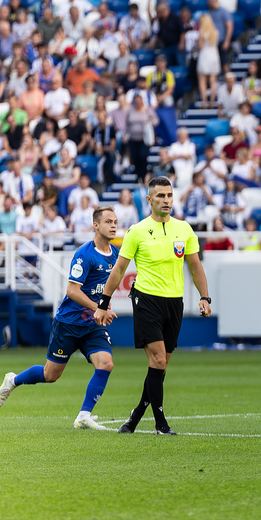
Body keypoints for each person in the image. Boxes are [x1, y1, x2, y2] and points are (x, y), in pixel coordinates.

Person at [95, 176, 211, 435]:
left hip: (174, 303)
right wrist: (103, 302)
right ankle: (161, 423)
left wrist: (205, 297)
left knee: (161, 366)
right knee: (158, 359)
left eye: (169, 195)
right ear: (149, 200)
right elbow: (118, 270)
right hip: (146, 300)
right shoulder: (137, 231)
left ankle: (135, 416)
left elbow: (195, 267)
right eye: (160, 196)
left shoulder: (184, 229)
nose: (166, 200)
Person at [0, 207, 120, 430]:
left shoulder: (117, 255)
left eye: (115, 221)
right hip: (69, 323)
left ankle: (83, 415)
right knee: (50, 374)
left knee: (106, 364)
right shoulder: (85, 254)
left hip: (92, 324)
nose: (113, 225)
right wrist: (99, 307)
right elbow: (72, 291)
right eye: (108, 221)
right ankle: (12, 380)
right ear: (96, 225)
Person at [197, 15, 221, 109]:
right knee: (213, 80)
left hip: (205, 55)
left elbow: (201, 46)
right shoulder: (215, 31)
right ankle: (212, 102)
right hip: (214, 54)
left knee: (202, 80)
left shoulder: (202, 32)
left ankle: (204, 102)